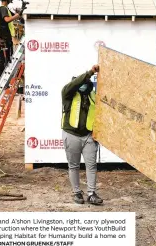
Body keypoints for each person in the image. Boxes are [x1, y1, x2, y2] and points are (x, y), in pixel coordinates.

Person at [61, 65, 103, 205]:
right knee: (74, 166)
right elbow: (73, 84)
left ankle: (91, 193)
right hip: (71, 134)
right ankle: (77, 193)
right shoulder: (67, 93)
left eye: (86, 84)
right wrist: (90, 72)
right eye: (81, 83)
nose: (83, 86)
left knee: (91, 166)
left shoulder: (92, 95)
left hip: (88, 136)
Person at [0, 0, 22, 84]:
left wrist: (19, 13)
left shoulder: (6, 9)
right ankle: (0, 78)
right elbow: (7, 19)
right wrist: (18, 15)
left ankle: (2, 78)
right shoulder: (3, 8)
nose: (11, 0)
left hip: (6, 38)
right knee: (3, 58)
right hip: (4, 38)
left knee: (7, 59)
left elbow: (14, 16)